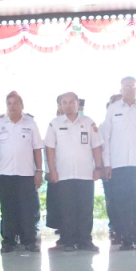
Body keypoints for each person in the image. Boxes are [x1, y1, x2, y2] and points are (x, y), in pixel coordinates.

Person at [100, 77, 136, 250]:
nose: (129, 89)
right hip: (118, 164)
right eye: (126, 87)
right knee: (121, 202)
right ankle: (125, 238)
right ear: (121, 89)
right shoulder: (113, 109)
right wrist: (107, 163)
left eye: (132, 86)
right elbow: (106, 138)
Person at [44, 92, 103, 254]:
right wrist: (52, 170)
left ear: (78, 104)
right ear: (60, 105)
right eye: (65, 102)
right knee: (67, 209)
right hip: (63, 174)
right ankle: (68, 241)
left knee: (85, 208)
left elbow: (96, 147)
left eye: (71, 102)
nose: (68, 105)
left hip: (86, 174)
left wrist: (99, 168)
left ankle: (85, 240)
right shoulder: (54, 124)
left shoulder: (89, 123)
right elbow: (50, 149)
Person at [0, 92, 45, 254]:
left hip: (26, 174)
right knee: (8, 209)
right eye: (9, 103)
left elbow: (37, 149)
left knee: (28, 209)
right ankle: (9, 241)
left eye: (15, 103)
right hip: (5, 174)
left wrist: (39, 171)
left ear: (22, 105)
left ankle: (29, 240)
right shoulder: (0, 125)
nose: (12, 106)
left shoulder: (31, 124)